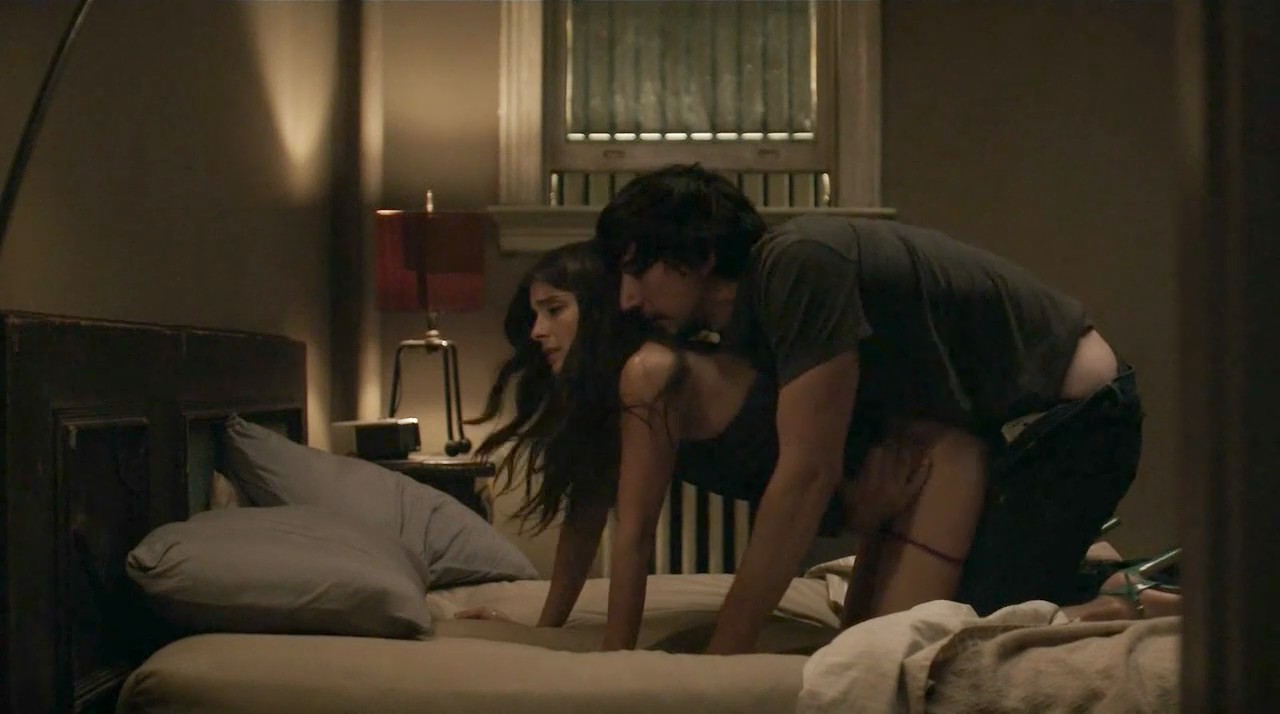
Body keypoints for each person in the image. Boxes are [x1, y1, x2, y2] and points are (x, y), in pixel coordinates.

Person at [461, 240, 1174, 648]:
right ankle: (1115, 584)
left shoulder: (651, 372)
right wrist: (549, 629)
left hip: (925, 469)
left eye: (554, 309)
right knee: (866, 637)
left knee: (921, 645)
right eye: (535, 314)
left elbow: (638, 533)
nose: (538, 331)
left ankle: (1131, 606)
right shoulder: (612, 396)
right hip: (878, 501)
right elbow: (589, 517)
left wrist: (617, 669)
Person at [590, 163, 1147, 654]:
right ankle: (1102, 579)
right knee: (910, 626)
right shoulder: (753, 322)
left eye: (638, 271)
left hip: (1074, 419)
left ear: (700, 257)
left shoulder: (796, 263)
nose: (628, 299)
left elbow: (807, 475)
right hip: (1011, 429)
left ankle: (1130, 600)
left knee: (967, 634)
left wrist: (724, 655)